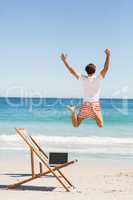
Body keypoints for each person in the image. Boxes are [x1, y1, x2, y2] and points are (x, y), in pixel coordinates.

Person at [60, 49, 110, 128]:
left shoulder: (83, 78)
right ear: (95, 71)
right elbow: (106, 68)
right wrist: (108, 55)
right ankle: (93, 111)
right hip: (94, 105)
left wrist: (64, 61)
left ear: (86, 71)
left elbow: (71, 71)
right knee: (101, 125)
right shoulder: (98, 78)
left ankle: (73, 111)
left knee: (76, 125)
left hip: (85, 105)